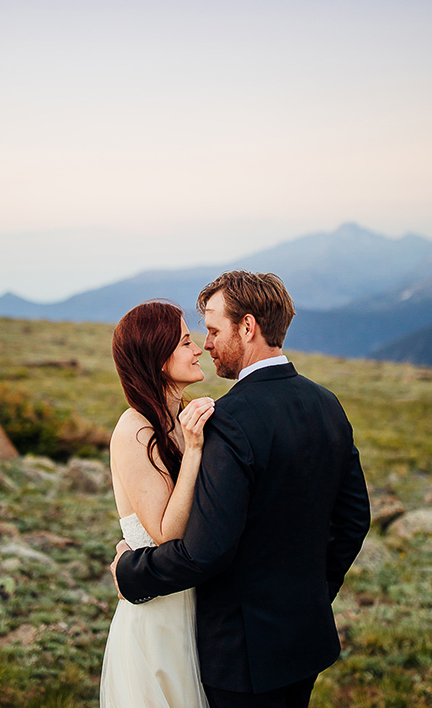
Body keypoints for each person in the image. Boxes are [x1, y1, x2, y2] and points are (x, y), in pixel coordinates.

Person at [112, 272, 371, 708]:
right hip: (304, 642)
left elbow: (206, 550)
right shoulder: (326, 402)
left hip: (240, 656)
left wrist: (130, 572)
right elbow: (352, 520)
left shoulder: (228, 420)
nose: (206, 344)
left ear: (247, 327)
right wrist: (306, 595)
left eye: (212, 331)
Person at [99, 300, 214, 708]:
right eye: (185, 341)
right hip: (158, 620)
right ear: (158, 357)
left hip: (195, 608)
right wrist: (196, 450)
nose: (198, 348)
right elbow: (167, 533)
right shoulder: (135, 429)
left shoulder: (180, 418)